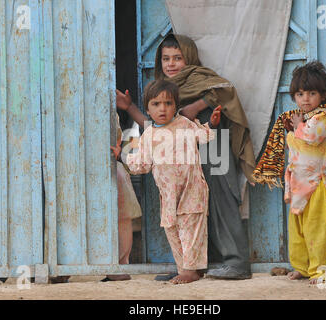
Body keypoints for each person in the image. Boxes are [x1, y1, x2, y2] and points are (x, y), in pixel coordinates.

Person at [117, 34, 256, 280]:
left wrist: (197, 106)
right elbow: (155, 127)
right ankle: (194, 266)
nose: (171, 64)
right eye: (165, 58)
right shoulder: (165, 89)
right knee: (189, 214)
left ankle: (237, 263)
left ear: (189, 58)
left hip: (213, 144)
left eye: (178, 58)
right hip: (185, 158)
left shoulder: (200, 78)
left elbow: (225, 92)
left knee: (222, 199)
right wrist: (130, 108)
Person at [112, 79, 221, 284]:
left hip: (192, 189)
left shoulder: (185, 125)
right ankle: (185, 269)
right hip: (169, 195)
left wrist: (213, 123)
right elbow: (140, 165)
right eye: (156, 104)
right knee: (173, 231)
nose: (162, 109)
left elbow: (204, 135)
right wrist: (121, 156)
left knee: (192, 231)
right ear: (148, 109)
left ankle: (190, 271)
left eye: (168, 103)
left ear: (176, 106)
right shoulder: (149, 135)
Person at [253, 61, 326, 283]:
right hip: (298, 185)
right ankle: (302, 267)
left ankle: (320, 269)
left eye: (312, 93)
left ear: (323, 95)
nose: (305, 99)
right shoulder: (304, 118)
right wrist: (296, 126)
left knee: (317, 229)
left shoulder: (324, 118)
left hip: (317, 185)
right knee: (297, 231)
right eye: (300, 94)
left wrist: (297, 126)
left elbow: (310, 137)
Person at [102, 114, 143, 282]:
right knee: (122, 219)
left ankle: (120, 265)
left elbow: (117, 136)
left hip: (112, 164)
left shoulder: (107, 107)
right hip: (109, 165)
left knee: (122, 218)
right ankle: (119, 265)